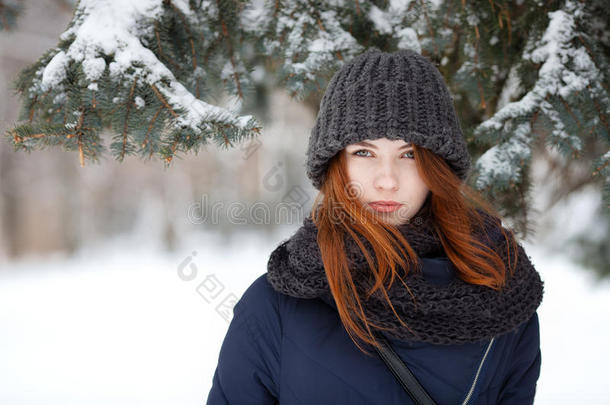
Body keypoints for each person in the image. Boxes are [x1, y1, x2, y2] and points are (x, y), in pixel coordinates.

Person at [206, 48, 544, 404]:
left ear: (439, 168)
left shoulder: (502, 294)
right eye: (364, 153)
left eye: (410, 154)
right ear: (336, 166)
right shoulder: (276, 306)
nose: (387, 180)